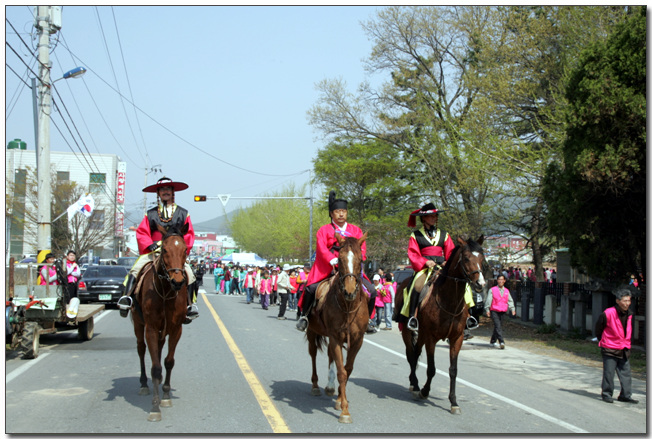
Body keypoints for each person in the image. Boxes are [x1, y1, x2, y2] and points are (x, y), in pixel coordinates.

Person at [117, 177, 198, 322]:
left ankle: (191, 306)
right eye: (162, 189)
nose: (165, 191)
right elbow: (142, 231)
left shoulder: (183, 213)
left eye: (168, 189)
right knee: (135, 270)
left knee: (190, 274)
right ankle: (126, 298)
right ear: (158, 193)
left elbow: (189, 233)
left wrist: (179, 251)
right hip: (153, 250)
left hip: (173, 252)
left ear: (173, 192)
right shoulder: (151, 213)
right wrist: (149, 244)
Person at [296, 191, 377, 333]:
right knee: (310, 289)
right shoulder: (323, 230)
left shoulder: (356, 230)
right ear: (332, 213)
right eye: (338, 211)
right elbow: (321, 248)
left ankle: (368, 320)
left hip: (350, 267)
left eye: (344, 211)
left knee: (371, 291)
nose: (341, 214)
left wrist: (358, 258)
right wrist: (331, 259)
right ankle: (305, 316)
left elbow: (361, 248)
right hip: (328, 266)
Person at [397, 203, 455, 331]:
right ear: (423, 218)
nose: (434, 218)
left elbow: (451, 252)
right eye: (430, 216)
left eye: (435, 215)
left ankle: (468, 317)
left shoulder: (444, 234)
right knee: (417, 286)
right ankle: (412, 316)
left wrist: (447, 262)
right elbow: (413, 253)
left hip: (441, 266)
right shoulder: (415, 235)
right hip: (424, 267)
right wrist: (424, 262)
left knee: (461, 285)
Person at [595, 286, 639, 404]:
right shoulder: (608, 313)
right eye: (625, 300)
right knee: (609, 373)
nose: (627, 303)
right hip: (609, 347)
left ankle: (625, 395)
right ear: (618, 301)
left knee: (626, 373)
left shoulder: (629, 314)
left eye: (629, 300)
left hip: (624, 347)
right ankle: (607, 394)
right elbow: (598, 328)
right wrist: (604, 340)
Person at [484, 274, 515, 349]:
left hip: (503, 311)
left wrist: (512, 309)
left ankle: (493, 340)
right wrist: (487, 309)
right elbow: (488, 300)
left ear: (504, 281)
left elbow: (510, 300)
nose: (500, 281)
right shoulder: (492, 290)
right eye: (499, 279)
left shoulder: (506, 291)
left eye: (502, 280)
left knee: (498, 326)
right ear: (497, 281)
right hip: (494, 310)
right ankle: (501, 341)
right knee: (498, 325)